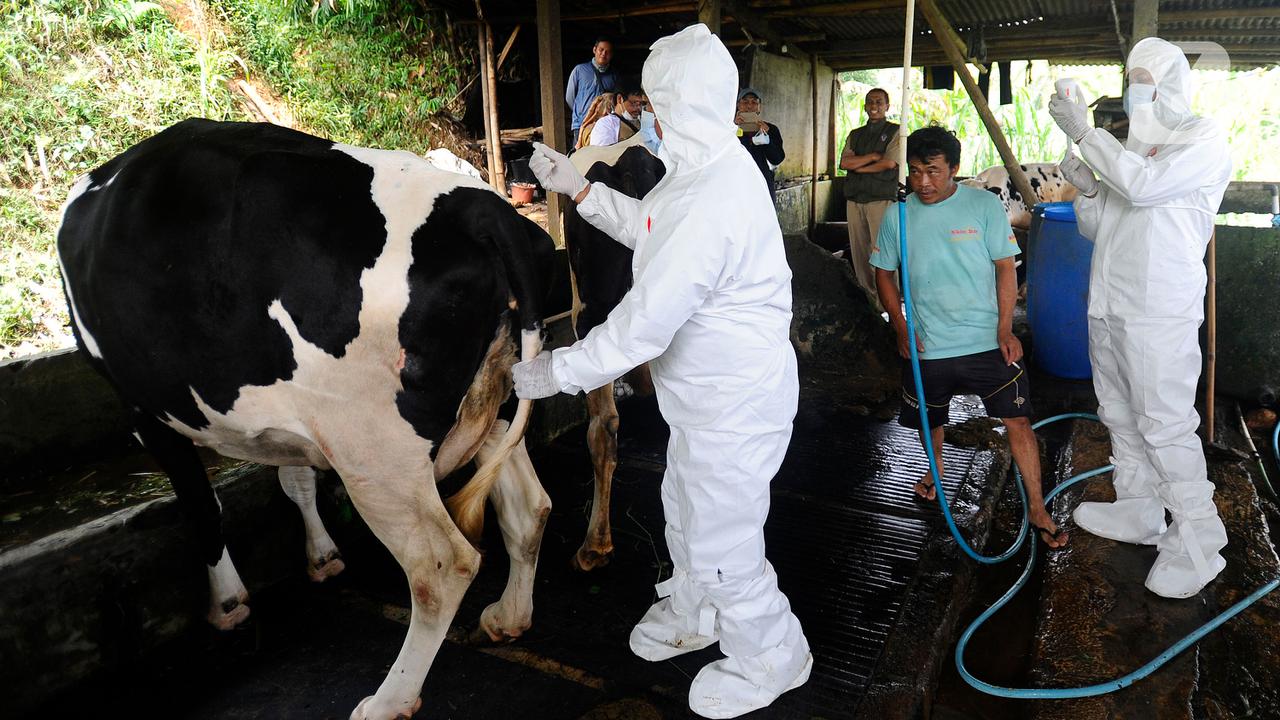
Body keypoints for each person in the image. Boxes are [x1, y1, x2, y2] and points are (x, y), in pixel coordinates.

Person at [518, 23, 811, 719]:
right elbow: (651, 227)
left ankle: (773, 654)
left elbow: (642, 326)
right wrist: (581, 189)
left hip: (734, 406)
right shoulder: (700, 171)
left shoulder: (715, 195)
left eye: (656, 100)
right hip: (704, 403)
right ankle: (695, 610)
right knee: (683, 510)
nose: (648, 110)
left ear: (684, 103)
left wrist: (559, 371)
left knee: (724, 541)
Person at [1049, 37, 1231, 598]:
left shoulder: (1202, 138)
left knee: (1163, 421)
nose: (1136, 90)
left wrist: (1087, 136)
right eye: (1132, 79)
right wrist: (1088, 190)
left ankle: (1199, 539)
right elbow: (1102, 226)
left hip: (1159, 309)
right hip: (1111, 301)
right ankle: (1138, 507)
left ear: (1172, 83)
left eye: (1146, 80)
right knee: (1119, 411)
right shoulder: (1134, 148)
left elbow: (1145, 189)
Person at [871, 126, 1067, 550]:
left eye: (934, 171)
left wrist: (1005, 328)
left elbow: (1005, 267)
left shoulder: (983, 206)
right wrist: (900, 326)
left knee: (1018, 420)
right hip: (927, 344)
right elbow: (883, 273)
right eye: (915, 171)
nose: (923, 182)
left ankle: (1037, 506)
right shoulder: (897, 215)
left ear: (955, 169)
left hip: (987, 341)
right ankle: (937, 469)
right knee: (930, 419)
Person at [839, 88, 899, 311]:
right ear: (865, 106)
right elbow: (845, 163)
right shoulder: (855, 134)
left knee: (882, 254)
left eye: (879, 102)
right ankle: (871, 306)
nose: (874, 105)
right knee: (860, 255)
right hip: (855, 199)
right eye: (870, 102)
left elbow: (889, 163)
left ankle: (890, 307)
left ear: (887, 106)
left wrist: (860, 166)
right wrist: (873, 157)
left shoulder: (895, 131)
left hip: (880, 199)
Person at [733, 88, 785, 203]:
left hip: (763, 184)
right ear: (738, 105)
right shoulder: (729, 128)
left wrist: (766, 137)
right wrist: (733, 129)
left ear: (759, 107)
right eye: (745, 102)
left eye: (754, 102)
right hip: (736, 184)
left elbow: (777, 159)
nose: (749, 106)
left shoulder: (771, 129)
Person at [565, 37, 619, 146]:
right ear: (594, 50)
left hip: (602, 125)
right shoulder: (579, 70)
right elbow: (569, 97)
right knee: (580, 154)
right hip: (581, 123)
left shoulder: (614, 75)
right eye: (601, 50)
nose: (603, 54)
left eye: (608, 52)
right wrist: (581, 112)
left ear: (611, 55)